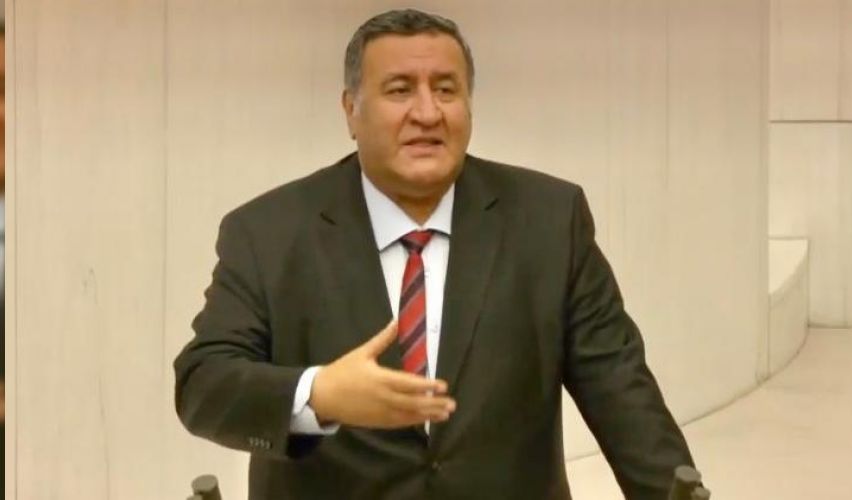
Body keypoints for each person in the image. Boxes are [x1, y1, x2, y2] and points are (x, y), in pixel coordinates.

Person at [174, 9, 693, 500]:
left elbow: (623, 394)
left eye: (446, 89)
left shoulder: (549, 221)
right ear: (351, 110)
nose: (427, 113)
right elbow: (204, 384)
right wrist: (319, 394)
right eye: (399, 90)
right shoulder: (268, 233)